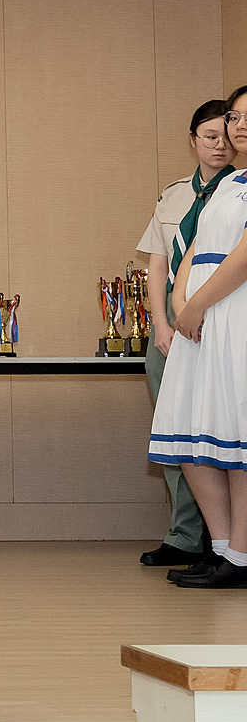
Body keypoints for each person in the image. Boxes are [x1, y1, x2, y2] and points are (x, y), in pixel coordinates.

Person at [149, 85, 247, 590]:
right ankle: (223, 549)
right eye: (234, 116)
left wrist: (197, 305)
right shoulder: (229, 185)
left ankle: (242, 556)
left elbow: (243, 257)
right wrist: (180, 303)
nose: (239, 125)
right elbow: (192, 248)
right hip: (199, 321)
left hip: (233, 315)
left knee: (235, 435)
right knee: (192, 434)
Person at [135, 100, 233, 570]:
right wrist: (160, 323)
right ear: (192, 140)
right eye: (209, 136)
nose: (220, 145)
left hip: (222, 326)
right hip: (171, 331)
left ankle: (224, 542)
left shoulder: (236, 193)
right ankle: (184, 536)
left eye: (227, 136)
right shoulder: (174, 195)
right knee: (175, 435)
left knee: (219, 434)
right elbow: (158, 264)